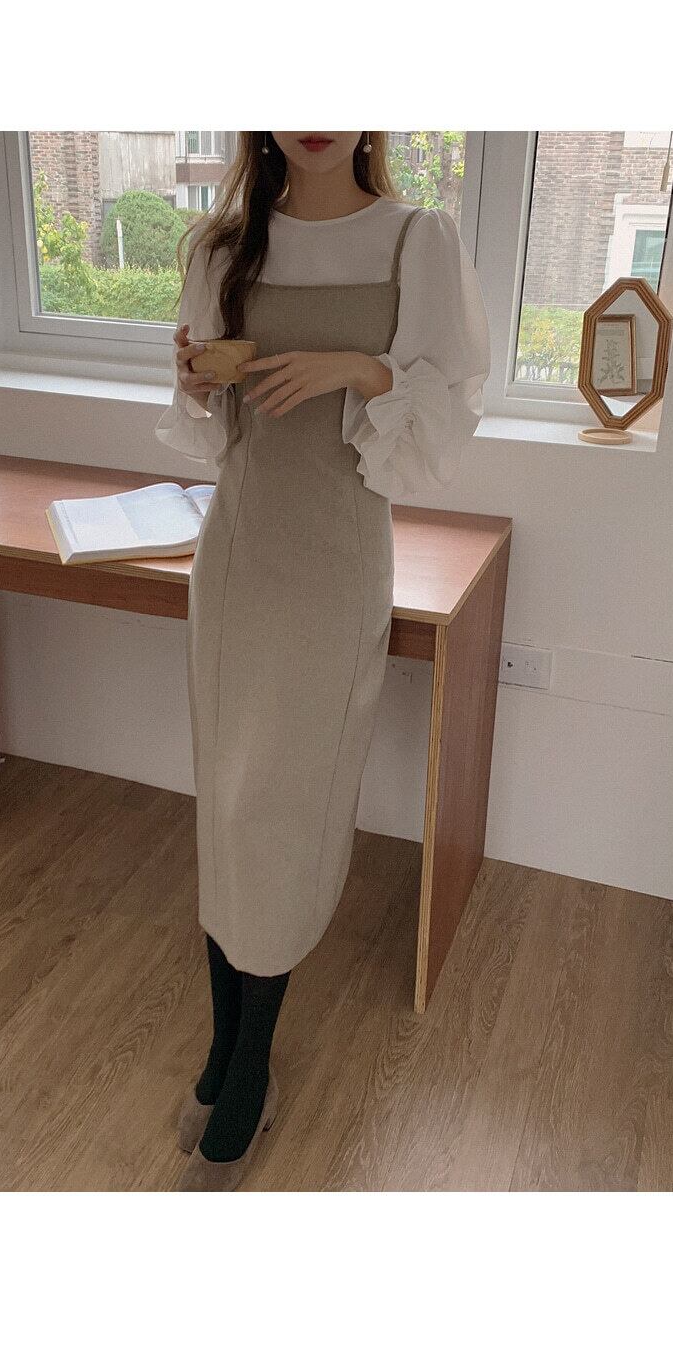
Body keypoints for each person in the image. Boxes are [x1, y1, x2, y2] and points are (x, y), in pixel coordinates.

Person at [153, 133, 491, 1187]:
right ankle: (224, 1045)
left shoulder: (416, 240)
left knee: (286, 808)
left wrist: (358, 368)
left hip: (335, 560)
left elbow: (450, 404)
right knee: (227, 801)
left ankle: (252, 1062)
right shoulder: (222, 246)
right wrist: (194, 379)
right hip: (236, 555)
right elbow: (211, 428)